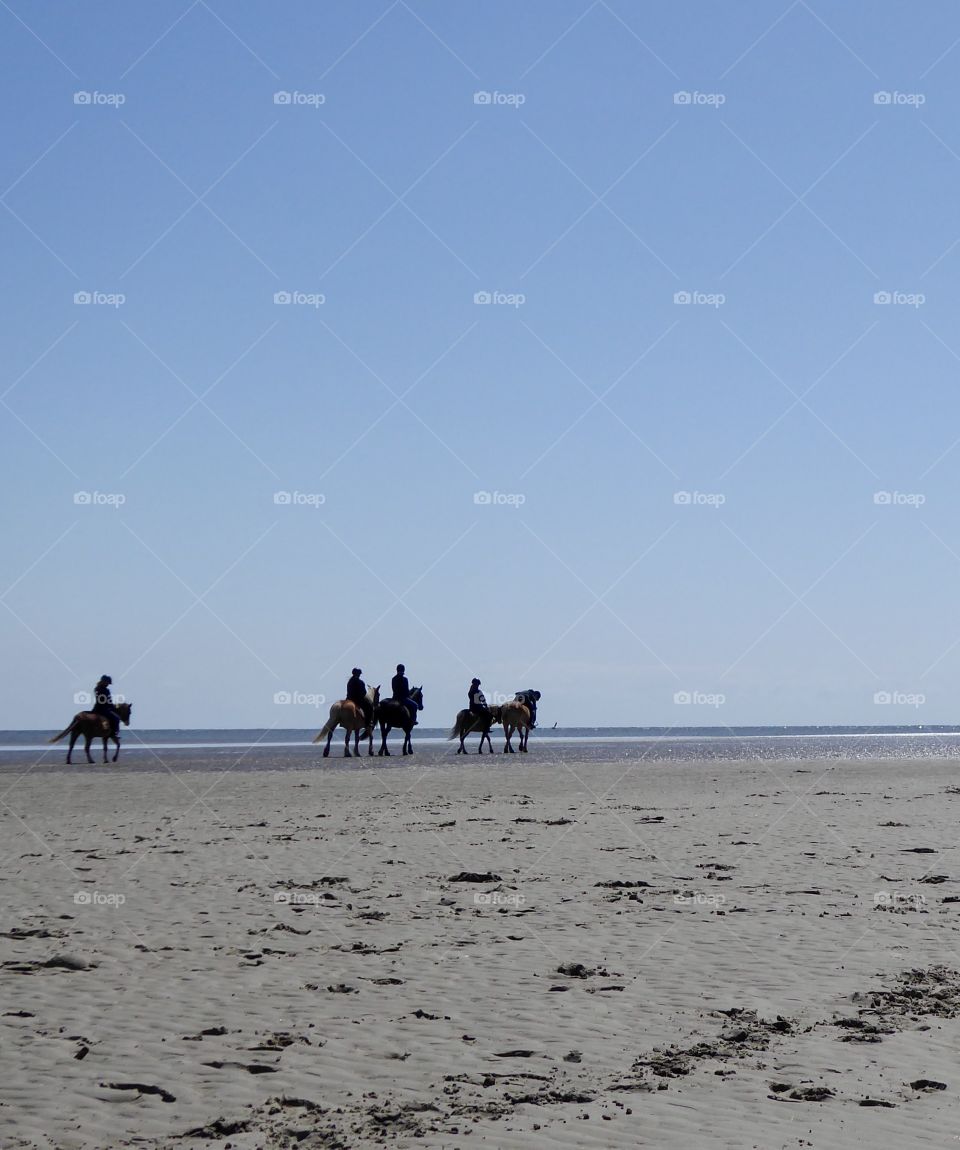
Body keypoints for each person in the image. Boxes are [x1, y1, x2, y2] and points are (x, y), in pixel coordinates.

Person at [91, 675, 121, 740]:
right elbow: (107, 701)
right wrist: (114, 706)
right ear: (104, 682)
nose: (108, 685)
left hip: (97, 708)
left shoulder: (97, 688)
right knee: (116, 718)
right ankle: (113, 734)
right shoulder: (105, 690)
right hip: (103, 709)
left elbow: (104, 700)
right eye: (107, 683)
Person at [346, 668, 373, 733]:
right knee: (369, 708)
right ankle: (368, 723)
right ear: (358, 674)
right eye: (359, 674)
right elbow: (364, 693)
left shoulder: (349, 681)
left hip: (349, 699)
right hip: (357, 700)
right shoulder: (360, 682)